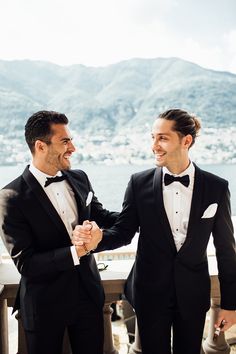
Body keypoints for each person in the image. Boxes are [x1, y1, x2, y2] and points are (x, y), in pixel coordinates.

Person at [73, 108, 236, 354]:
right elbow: (123, 231)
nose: (154, 146)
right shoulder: (138, 183)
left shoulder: (216, 187)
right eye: (152, 137)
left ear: (186, 141)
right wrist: (98, 240)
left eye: (162, 138)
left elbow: (226, 250)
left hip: (193, 294)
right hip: (150, 293)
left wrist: (231, 304)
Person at [0, 110, 118, 354]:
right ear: (41, 146)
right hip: (44, 307)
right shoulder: (10, 197)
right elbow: (26, 263)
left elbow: (103, 217)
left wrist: (143, 214)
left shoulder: (80, 178)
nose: (73, 147)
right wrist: (78, 251)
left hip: (88, 298)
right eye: (65, 141)